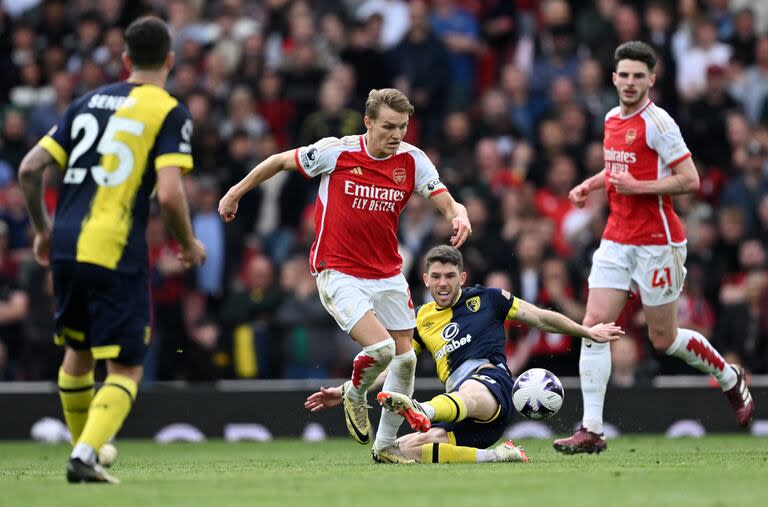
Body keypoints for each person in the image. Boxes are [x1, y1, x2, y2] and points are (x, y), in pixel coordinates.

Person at [219, 88, 472, 462]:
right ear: (368, 122)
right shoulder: (336, 151)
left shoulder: (413, 161)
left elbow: (446, 200)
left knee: (406, 360)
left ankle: (385, 446)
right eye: (388, 126)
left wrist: (459, 215)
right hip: (338, 271)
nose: (396, 134)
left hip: (387, 274)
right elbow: (277, 161)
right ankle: (355, 393)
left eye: (402, 127)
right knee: (382, 350)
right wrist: (235, 193)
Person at [17, 17, 206, 483]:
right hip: (114, 244)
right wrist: (187, 242)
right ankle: (84, 454)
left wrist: (42, 229)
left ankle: (89, 451)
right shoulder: (168, 110)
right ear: (169, 60)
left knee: (78, 354)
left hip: (64, 241)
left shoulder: (85, 101)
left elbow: (28, 168)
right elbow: (168, 193)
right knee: (126, 366)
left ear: (124, 61)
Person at [554, 41, 754, 455]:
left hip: (658, 242)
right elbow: (618, 166)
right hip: (616, 238)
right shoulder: (611, 118)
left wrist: (639, 187)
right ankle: (591, 429)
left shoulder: (660, 123)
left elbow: (690, 180)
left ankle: (729, 376)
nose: (630, 82)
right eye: (623, 75)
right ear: (614, 78)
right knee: (593, 325)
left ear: (651, 80)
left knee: (663, 338)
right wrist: (591, 185)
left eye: (638, 76)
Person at [304, 245, 623, 464]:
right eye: (437, 277)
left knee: (471, 390)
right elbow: (394, 366)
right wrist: (350, 389)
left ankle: (422, 411)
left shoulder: (490, 299)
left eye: (450, 276)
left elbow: (539, 316)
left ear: (462, 277)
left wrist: (586, 331)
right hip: (460, 416)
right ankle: (499, 456)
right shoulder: (420, 319)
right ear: (426, 279)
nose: (443, 284)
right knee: (396, 451)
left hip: (491, 391)